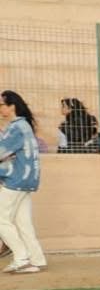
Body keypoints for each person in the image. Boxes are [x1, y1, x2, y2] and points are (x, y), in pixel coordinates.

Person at [0, 91, 47, 273]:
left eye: (2, 105)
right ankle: (37, 259)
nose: (0, 109)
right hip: (25, 180)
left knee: (1, 220)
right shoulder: (23, 126)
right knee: (23, 223)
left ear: (12, 106)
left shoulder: (16, 128)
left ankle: (21, 258)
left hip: (16, 180)